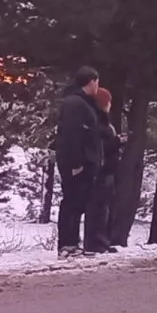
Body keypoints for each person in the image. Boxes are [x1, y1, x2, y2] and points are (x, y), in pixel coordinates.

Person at [54, 66, 104, 258]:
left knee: (78, 203)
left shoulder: (82, 103)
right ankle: (67, 245)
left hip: (84, 161)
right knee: (72, 203)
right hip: (76, 163)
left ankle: (73, 244)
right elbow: (71, 134)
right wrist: (76, 162)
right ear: (91, 81)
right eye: (97, 82)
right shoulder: (74, 104)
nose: (98, 86)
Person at [84, 87, 122, 253]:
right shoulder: (97, 122)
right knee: (98, 207)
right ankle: (96, 243)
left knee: (104, 207)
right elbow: (100, 145)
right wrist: (116, 142)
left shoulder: (103, 121)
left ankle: (103, 241)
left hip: (107, 168)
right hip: (101, 169)